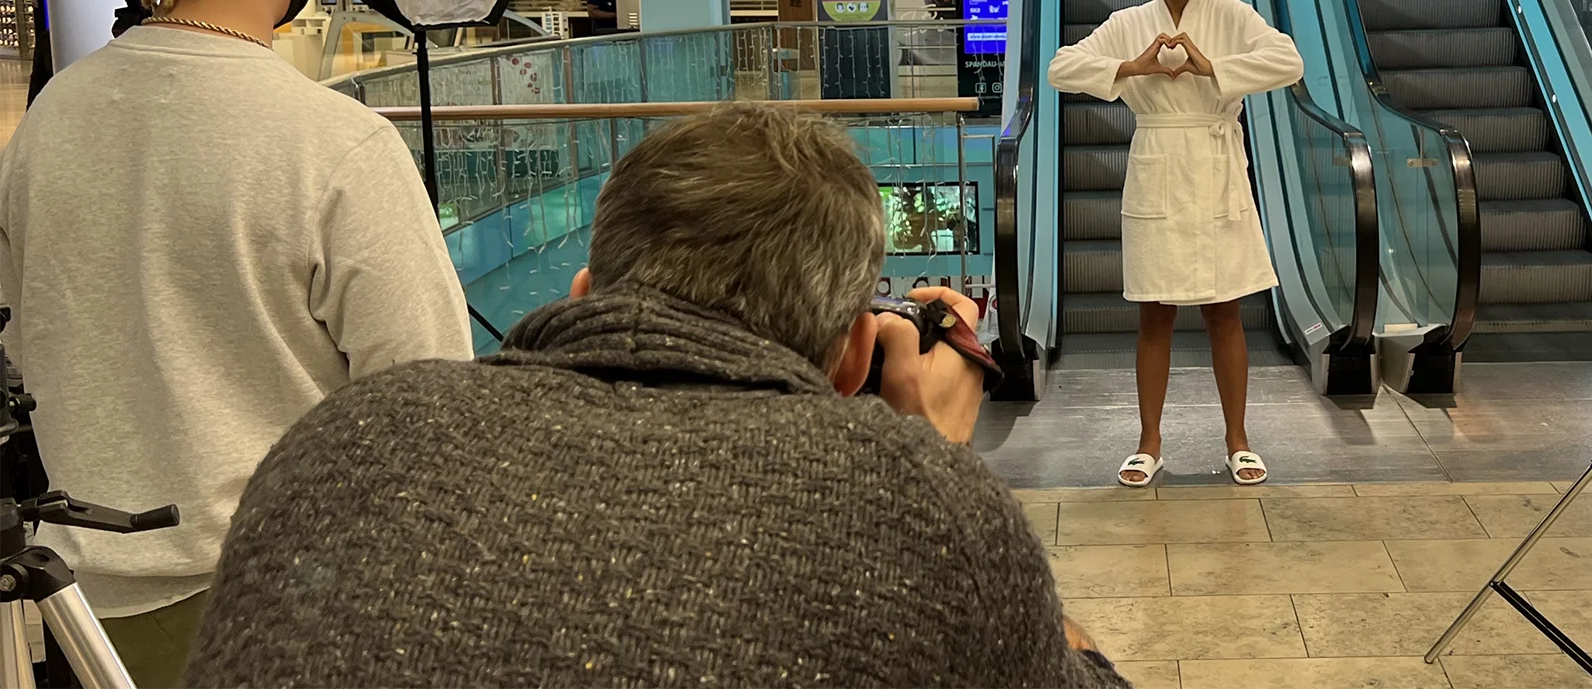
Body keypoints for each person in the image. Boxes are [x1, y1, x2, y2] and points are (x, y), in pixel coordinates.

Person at [183, 104, 1130, 689]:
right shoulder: (918, 503)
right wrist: (929, 455)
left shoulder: (345, 443)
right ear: (853, 356)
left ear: (583, 294)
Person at [0, 0, 474, 689]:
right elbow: (429, 419)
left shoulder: (49, 119)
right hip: (268, 608)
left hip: (68, 614)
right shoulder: (332, 145)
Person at [1048, 0, 1304, 488]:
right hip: (1158, 163)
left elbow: (1289, 61)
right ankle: (1149, 443)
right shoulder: (1130, 21)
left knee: (1226, 311)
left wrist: (1208, 63)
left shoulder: (1230, 16)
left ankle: (1238, 440)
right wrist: (1130, 66)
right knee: (1155, 314)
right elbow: (1061, 66)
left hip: (1215, 168)